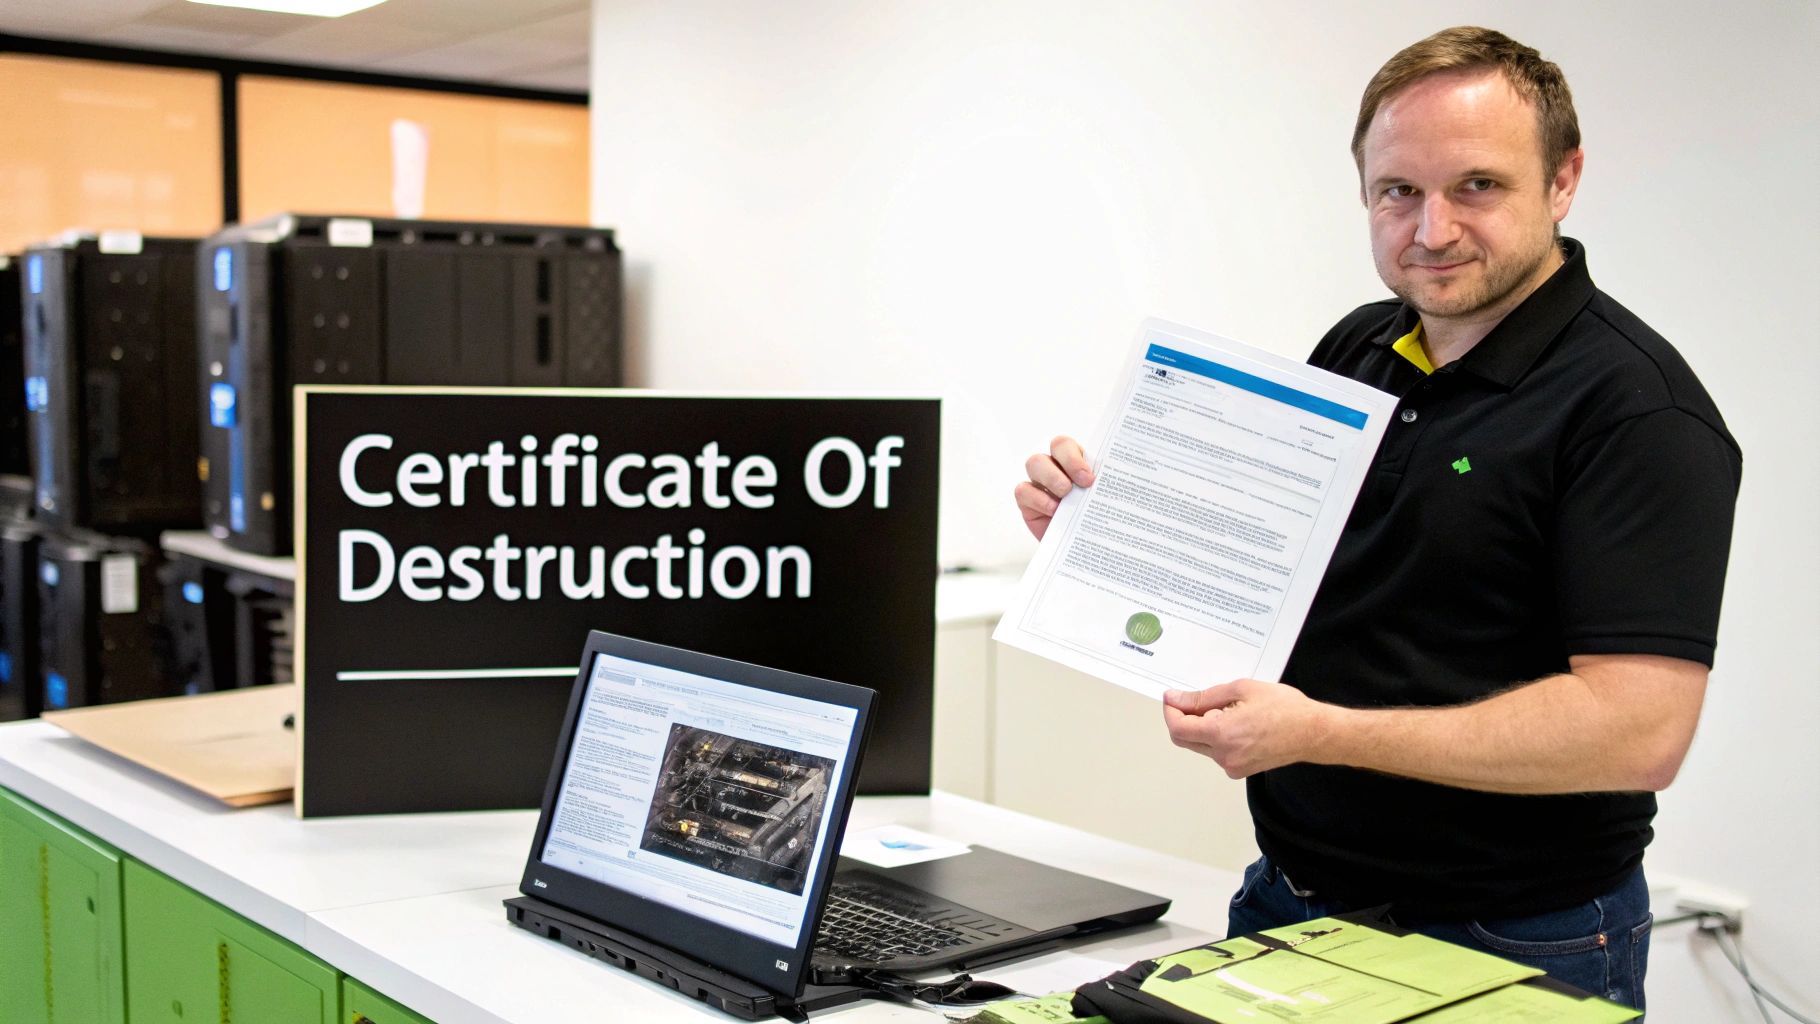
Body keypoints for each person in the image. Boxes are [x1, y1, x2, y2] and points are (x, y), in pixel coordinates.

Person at [1014, 26, 1740, 1012]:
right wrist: (1099, 533)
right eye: (1396, 191)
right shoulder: (1356, 350)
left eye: (1474, 186)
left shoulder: (1635, 409)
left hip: (1512, 939)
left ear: (1561, 181)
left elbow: (1635, 729)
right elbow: (1284, 577)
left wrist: (1322, 734)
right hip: (1290, 898)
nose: (1429, 229)